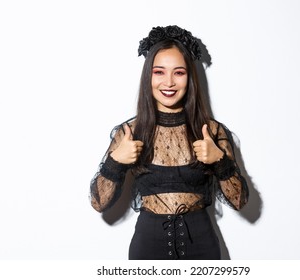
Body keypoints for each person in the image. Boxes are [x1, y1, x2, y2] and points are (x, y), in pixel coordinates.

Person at [90, 25, 249, 260]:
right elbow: (99, 203)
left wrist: (220, 161)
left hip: (202, 248)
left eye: (179, 72)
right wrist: (115, 162)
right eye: (159, 72)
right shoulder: (129, 132)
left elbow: (239, 201)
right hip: (147, 249)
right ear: (148, 76)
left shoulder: (212, 131)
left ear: (189, 78)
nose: (169, 82)